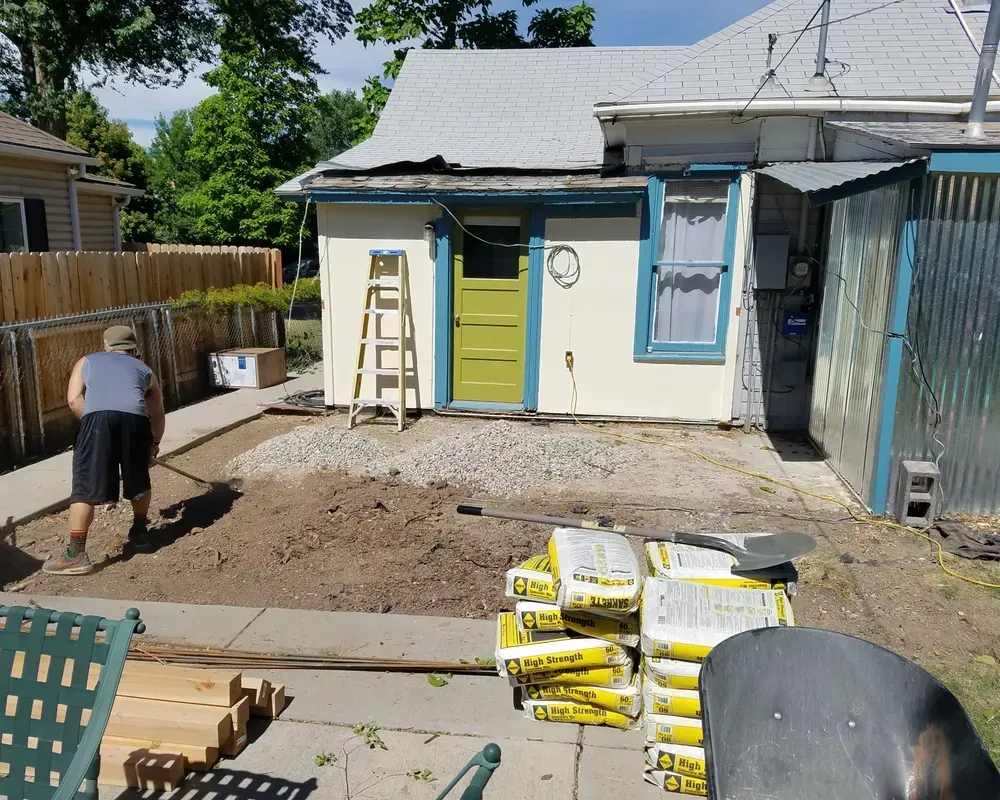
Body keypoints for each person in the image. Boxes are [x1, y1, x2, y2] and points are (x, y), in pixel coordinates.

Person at [43, 326, 166, 576]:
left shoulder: (87, 361)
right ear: (134, 347)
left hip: (96, 421)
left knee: (85, 486)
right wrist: (154, 443)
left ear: (107, 345)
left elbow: (74, 400)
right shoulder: (145, 370)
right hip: (135, 421)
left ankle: (76, 555)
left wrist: (96, 424)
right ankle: (140, 533)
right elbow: (157, 412)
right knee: (138, 477)